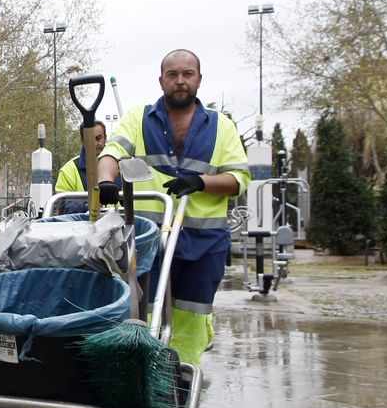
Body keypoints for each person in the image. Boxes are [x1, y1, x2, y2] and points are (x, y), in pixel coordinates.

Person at [94, 49, 248, 367]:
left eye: (187, 74)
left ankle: (182, 384)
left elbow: (239, 178)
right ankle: (150, 381)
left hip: (203, 245)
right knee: (145, 316)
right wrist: (106, 182)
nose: (180, 81)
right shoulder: (139, 118)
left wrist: (202, 182)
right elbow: (112, 152)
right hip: (150, 243)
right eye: (172, 74)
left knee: (191, 317)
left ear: (199, 79)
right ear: (161, 79)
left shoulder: (222, 127)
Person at [53, 123, 121, 213]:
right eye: (89, 139)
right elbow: (61, 204)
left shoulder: (121, 166)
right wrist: (86, 206)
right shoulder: (68, 170)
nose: (94, 143)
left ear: (105, 138)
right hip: (82, 225)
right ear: (82, 140)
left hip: (119, 223)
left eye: (98, 138)